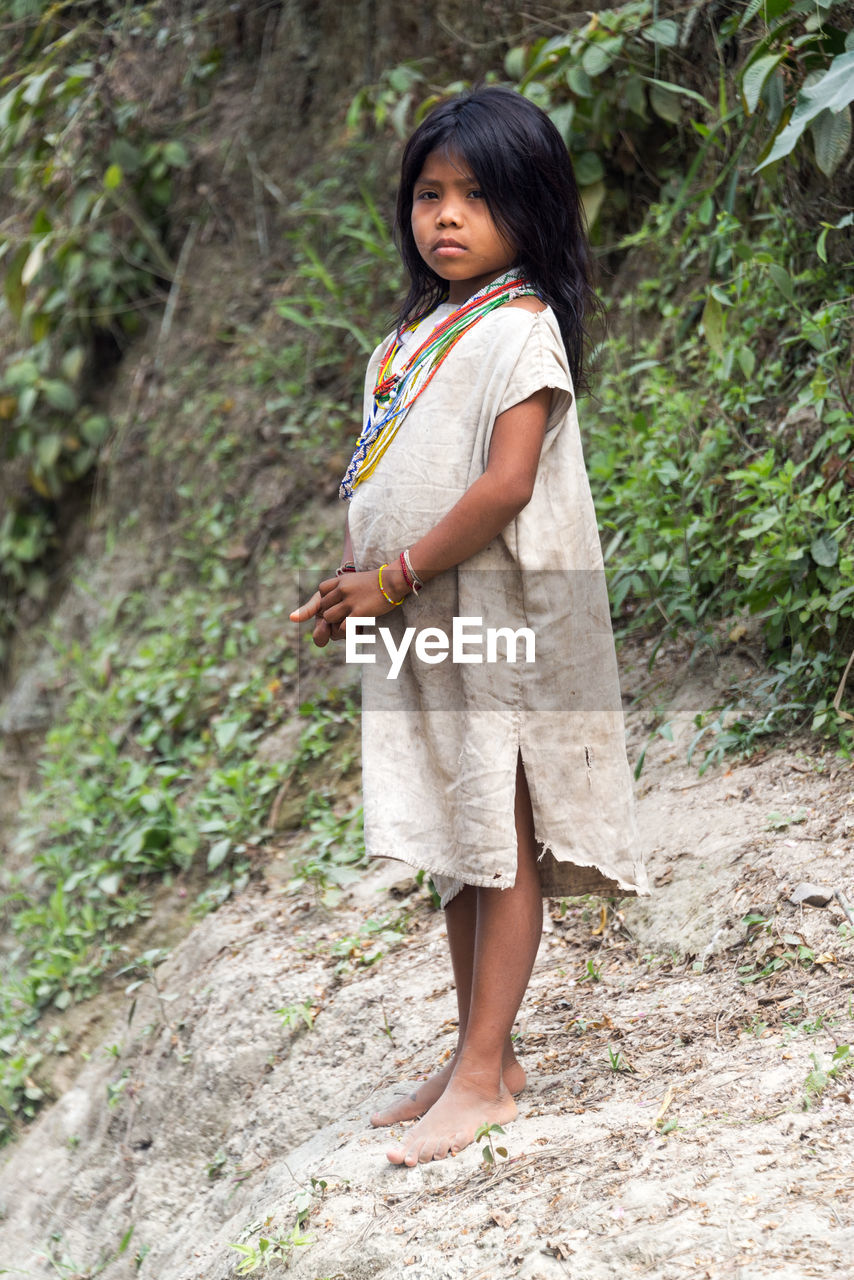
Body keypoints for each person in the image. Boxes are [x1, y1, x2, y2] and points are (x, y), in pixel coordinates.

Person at [290, 86, 647, 1167]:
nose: (446, 216)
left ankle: (486, 1074)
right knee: (458, 837)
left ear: (528, 210)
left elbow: (499, 488)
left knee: (497, 836)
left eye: (477, 197)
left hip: (491, 613)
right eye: (430, 194)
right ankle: (472, 1052)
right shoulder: (408, 338)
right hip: (418, 610)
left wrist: (392, 576)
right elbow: (395, 473)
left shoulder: (519, 330)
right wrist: (355, 582)